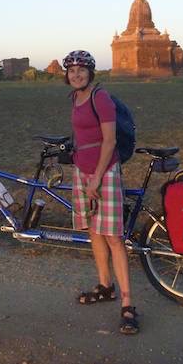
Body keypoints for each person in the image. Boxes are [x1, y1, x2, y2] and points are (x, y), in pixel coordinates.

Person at [63, 50, 139, 335]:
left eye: (81, 70)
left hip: (104, 173)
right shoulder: (76, 98)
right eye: (71, 70)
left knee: (114, 237)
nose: (76, 74)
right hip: (82, 171)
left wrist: (95, 179)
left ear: (90, 73)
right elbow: (82, 135)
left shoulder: (100, 97)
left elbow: (109, 141)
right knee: (94, 232)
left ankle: (128, 304)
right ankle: (106, 286)